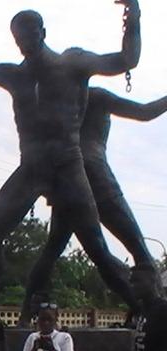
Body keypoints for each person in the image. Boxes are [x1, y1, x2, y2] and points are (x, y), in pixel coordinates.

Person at [0, 1, 141, 311]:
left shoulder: (73, 65)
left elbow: (126, 59)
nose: (24, 45)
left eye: (28, 37)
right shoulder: (14, 75)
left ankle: (142, 308)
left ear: (42, 32)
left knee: (95, 247)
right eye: (18, 40)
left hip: (68, 166)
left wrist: (133, 14)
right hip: (32, 168)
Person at [22, 88, 167, 322]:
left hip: (67, 178)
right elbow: (144, 112)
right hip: (96, 174)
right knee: (136, 246)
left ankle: (25, 313)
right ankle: (153, 311)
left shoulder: (57, 101)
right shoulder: (97, 96)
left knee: (56, 249)